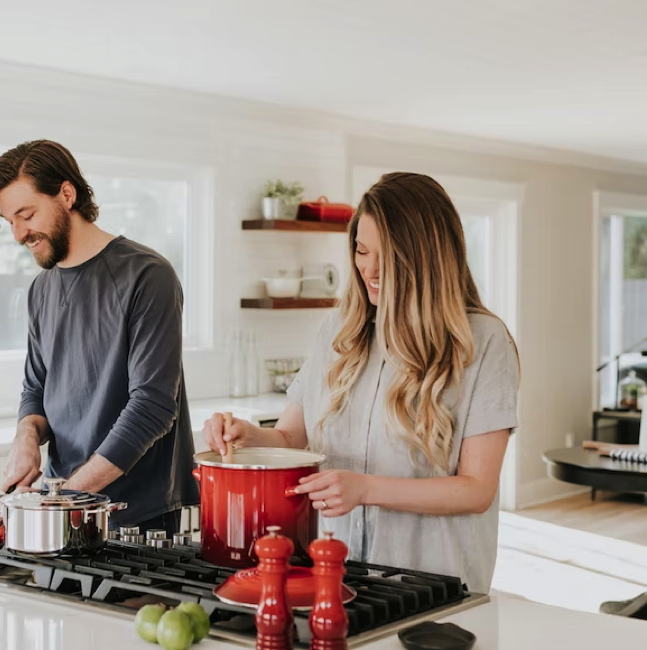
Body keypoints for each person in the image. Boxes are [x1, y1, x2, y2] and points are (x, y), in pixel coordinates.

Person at [203, 172, 519, 593]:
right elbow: (293, 437)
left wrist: (367, 489)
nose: (369, 268)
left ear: (427, 256)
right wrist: (249, 437)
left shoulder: (483, 342)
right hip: (334, 574)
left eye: (386, 255)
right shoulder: (339, 330)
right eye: (361, 250)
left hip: (431, 584)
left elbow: (476, 489)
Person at [0, 139, 199, 536]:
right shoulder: (41, 289)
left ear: (67, 194)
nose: (18, 234)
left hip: (137, 516)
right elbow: (36, 388)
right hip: (60, 506)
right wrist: (26, 437)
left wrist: (63, 500)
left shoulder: (148, 275)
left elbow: (152, 407)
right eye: (9, 220)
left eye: (26, 214)